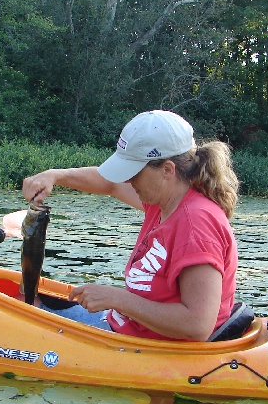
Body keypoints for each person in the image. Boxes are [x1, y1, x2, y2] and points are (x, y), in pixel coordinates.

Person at [21, 110, 239, 341]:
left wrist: (117, 299)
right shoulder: (164, 199)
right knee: (26, 300)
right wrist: (55, 176)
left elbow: (198, 325)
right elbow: (110, 184)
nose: (127, 180)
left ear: (167, 170)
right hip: (125, 327)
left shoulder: (197, 225)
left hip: (153, 348)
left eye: (133, 172)